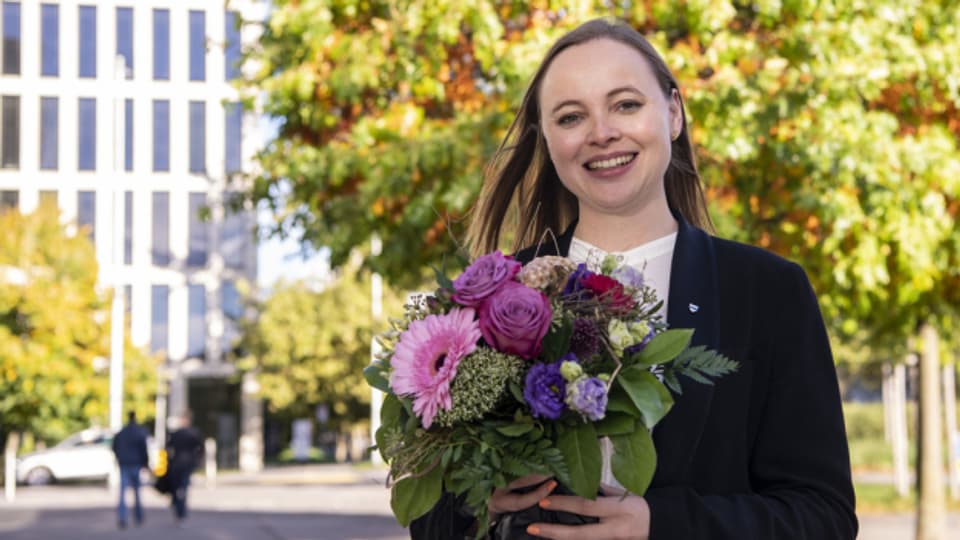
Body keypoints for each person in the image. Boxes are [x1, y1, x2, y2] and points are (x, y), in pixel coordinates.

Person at [411, 18, 857, 540]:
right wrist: (478, 505)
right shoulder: (493, 299)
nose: (601, 133)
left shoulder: (768, 290)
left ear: (672, 113)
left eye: (626, 104)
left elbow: (822, 517)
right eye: (572, 116)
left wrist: (662, 526)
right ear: (548, 140)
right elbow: (429, 522)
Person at [111, 411, 149, 529]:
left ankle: (122, 517)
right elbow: (144, 449)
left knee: (122, 492)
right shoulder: (139, 432)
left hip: (124, 464)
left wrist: (119, 458)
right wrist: (145, 463)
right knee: (137, 492)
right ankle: (138, 517)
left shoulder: (122, 432)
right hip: (135, 464)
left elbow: (114, 447)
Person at [166, 411, 203, 525]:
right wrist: (197, 460)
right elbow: (201, 448)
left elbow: (168, 448)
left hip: (178, 464)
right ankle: (181, 511)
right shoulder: (193, 433)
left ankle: (179, 510)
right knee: (183, 489)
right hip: (186, 465)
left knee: (179, 489)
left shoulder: (177, 433)